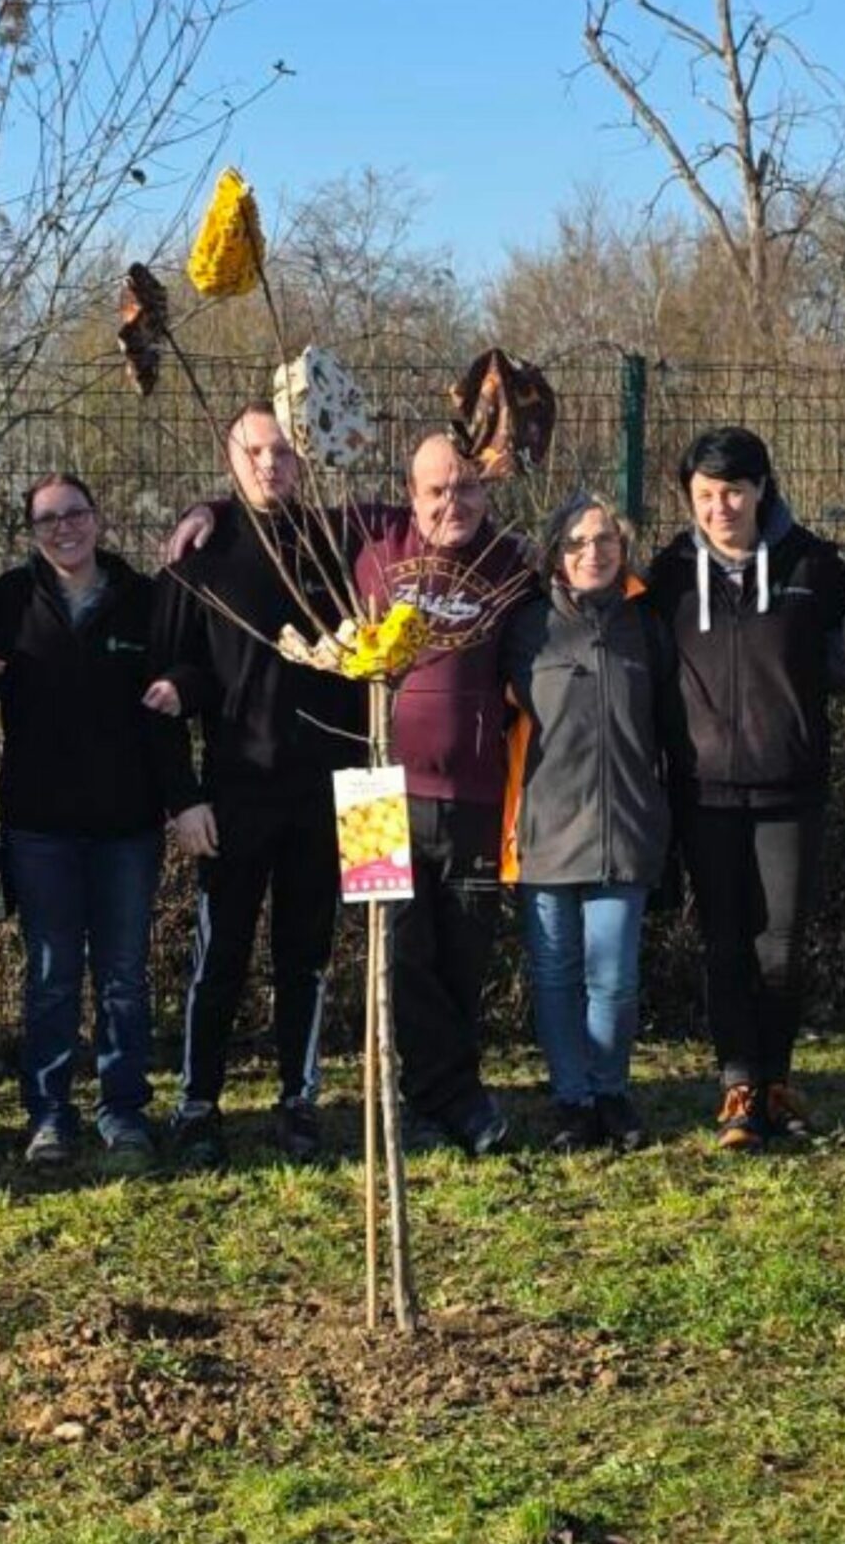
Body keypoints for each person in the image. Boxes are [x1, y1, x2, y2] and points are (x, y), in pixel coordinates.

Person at [146, 403, 367, 1166]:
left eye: (281, 450)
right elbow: (163, 687)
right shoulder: (198, 559)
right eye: (253, 451)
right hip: (236, 794)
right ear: (230, 458)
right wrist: (183, 796)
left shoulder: (340, 546)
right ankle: (198, 1102)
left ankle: (297, 1099)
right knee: (222, 956)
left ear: (302, 457)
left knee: (307, 953)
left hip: (332, 794)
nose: (269, 463)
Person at [646, 426, 845, 1150]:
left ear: (762, 487)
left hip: (790, 789)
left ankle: (777, 1077)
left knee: (782, 947)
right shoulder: (669, 572)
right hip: (703, 794)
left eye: (733, 490)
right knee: (725, 945)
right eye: (704, 495)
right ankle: (737, 1083)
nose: (719, 507)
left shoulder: (813, 565)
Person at [0, 474, 198, 1170]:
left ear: (98, 519)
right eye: (46, 518)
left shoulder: (144, 600)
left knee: (123, 974)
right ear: (32, 531)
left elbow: (187, 674)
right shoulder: (9, 600)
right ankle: (49, 1112)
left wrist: (183, 696)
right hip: (38, 824)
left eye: (74, 512)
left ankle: (123, 1107)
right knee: (49, 974)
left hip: (126, 824)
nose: (63, 527)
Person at [356, 436, 535, 1157]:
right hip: (370, 792)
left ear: (487, 492)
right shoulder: (372, 544)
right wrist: (208, 511)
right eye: (436, 489)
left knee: (463, 954)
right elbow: (277, 514)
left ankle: (436, 1099)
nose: (450, 503)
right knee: (393, 957)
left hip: (475, 790)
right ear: (410, 491)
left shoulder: (513, 563)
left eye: (465, 488)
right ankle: (453, 1098)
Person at [501, 494, 673, 1153]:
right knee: (555, 976)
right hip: (545, 832)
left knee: (615, 977)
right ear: (554, 554)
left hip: (625, 830)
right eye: (575, 541)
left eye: (604, 539)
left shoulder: (646, 625)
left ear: (623, 548)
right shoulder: (525, 630)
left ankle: (610, 1090)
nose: (592, 551)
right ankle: (571, 1098)